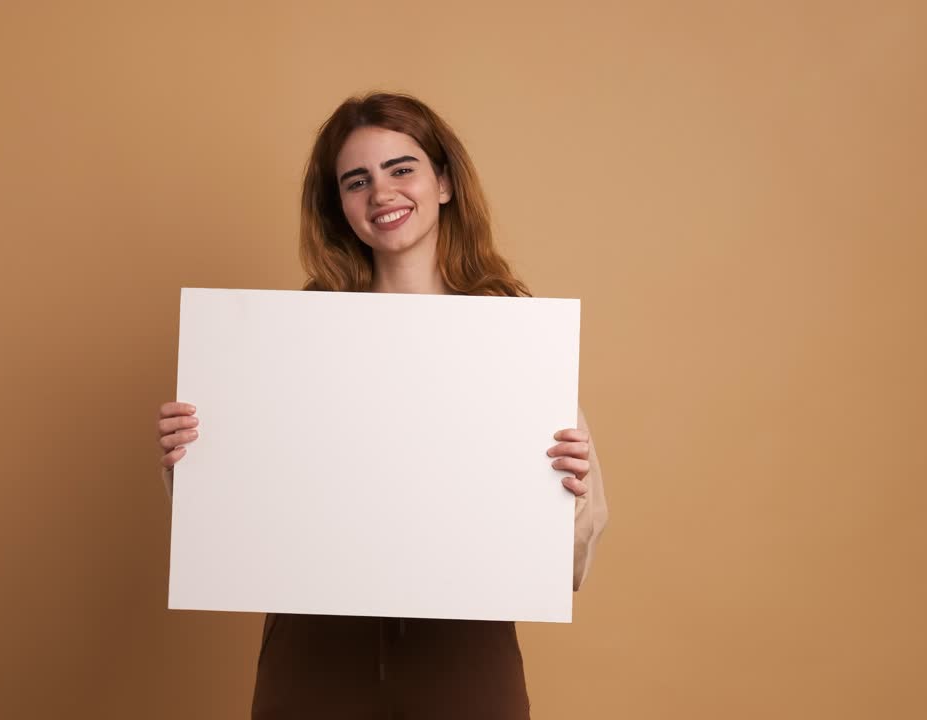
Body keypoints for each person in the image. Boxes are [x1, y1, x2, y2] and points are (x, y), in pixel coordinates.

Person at [156, 92, 608, 720]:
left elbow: (571, 553)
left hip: (463, 650)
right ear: (338, 206)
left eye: (402, 169)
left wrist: (567, 488)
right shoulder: (286, 338)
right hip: (313, 648)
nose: (382, 193)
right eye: (356, 180)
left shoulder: (514, 335)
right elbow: (246, 517)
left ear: (444, 182)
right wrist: (195, 460)